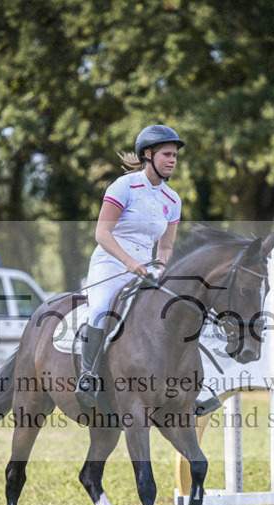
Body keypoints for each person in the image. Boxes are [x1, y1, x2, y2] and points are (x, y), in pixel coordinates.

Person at [75, 124, 184, 411]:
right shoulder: (124, 186)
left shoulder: (173, 200)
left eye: (175, 155)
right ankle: (89, 377)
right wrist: (129, 262)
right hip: (111, 262)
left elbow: (165, 247)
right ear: (148, 154)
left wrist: (160, 269)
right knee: (100, 310)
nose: (173, 160)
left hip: (146, 269)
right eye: (167, 154)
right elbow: (102, 233)